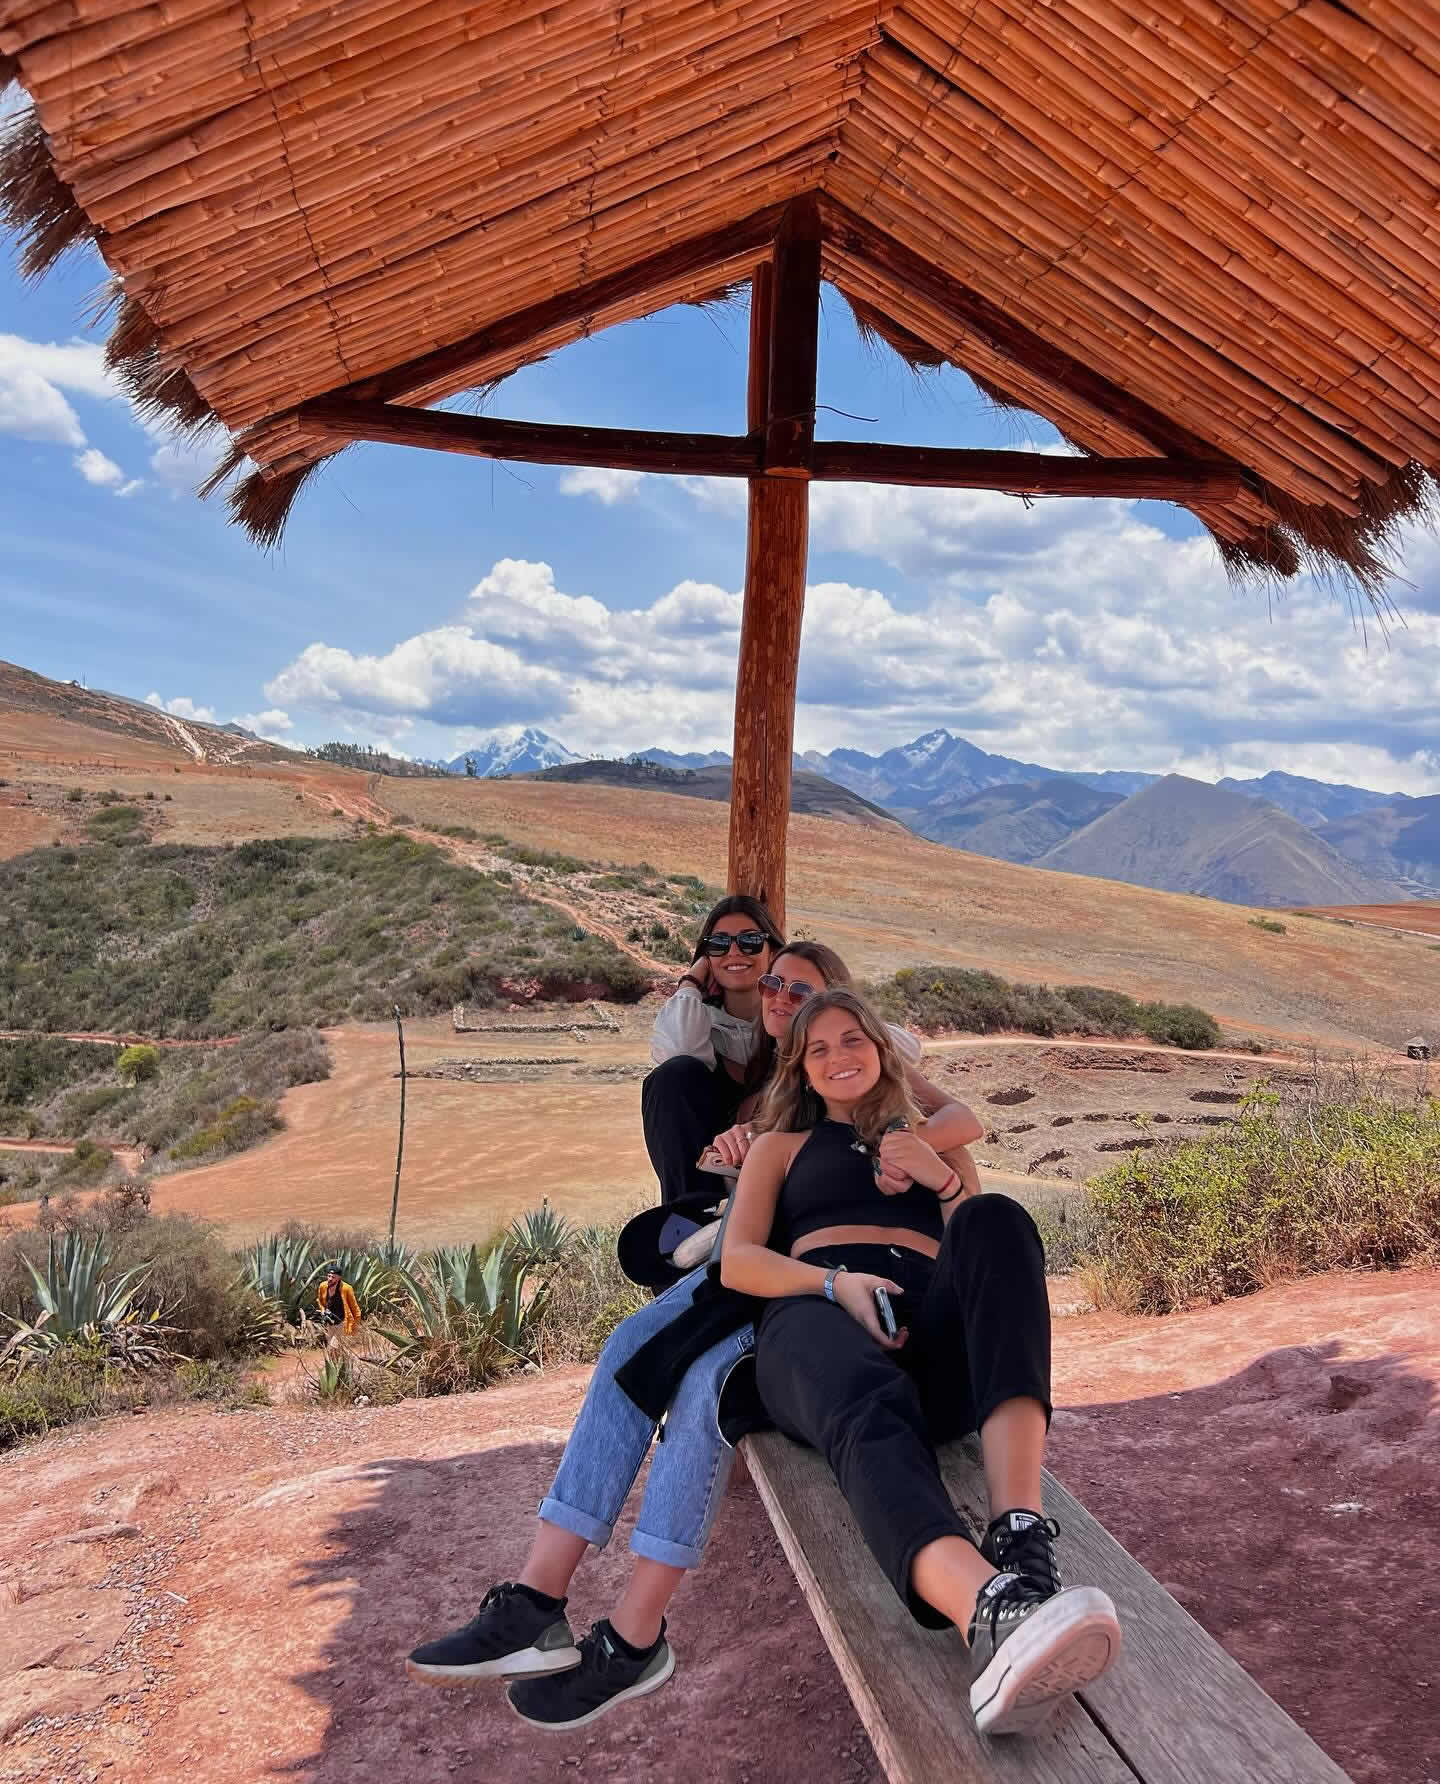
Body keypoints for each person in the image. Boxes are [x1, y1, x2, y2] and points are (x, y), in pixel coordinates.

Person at [405, 942, 983, 1731]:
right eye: (777, 989)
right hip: (772, 1282)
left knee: (703, 1385)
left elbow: (957, 1145)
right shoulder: (779, 1118)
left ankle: (626, 1632)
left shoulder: (893, 1115)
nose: (782, 998)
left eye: (808, 997)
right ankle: (545, 1600)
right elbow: (745, 1231)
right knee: (632, 1353)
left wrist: (913, 1156)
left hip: (822, 1311)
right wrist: (733, 1163)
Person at [720, 989, 1122, 1737]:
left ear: (880, 1050)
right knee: (861, 1394)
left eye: (853, 1041)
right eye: (819, 1049)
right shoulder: (779, 1147)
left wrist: (935, 1171)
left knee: (996, 1216)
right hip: (816, 1324)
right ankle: (991, 1615)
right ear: (801, 1072)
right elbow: (738, 1261)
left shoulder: (933, 1140)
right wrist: (837, 1285)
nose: (839, 1057)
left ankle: (1019, 1532)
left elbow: (974, 1244)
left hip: (933, 1345)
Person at [642, 894, 785, 1205]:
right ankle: (689, 1217)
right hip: (706, 1183)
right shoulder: (701, 1023)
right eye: (718, 944)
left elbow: (896, 1048)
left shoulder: (794, 1020)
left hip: (785, 1176)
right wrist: (692, 980)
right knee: (675, 1076)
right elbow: (677, 1058)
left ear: (772, 952)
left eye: (750, 941)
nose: (734, 951)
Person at [316, 1265, 360, 1335]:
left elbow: (355, 1308)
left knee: (333, 1345)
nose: (330, 1279)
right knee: (330, 1344)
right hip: (329, 1322)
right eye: (329, 1276)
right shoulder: (323, 1286)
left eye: (333, 1277)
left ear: (339, 1278)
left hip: (342, 1323)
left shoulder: (346, 1288)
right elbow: (320, 1300)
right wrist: (323, 1310)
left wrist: (354, 1327)